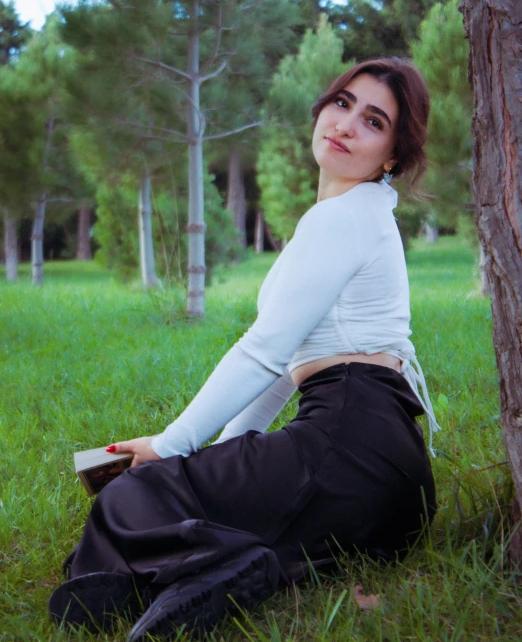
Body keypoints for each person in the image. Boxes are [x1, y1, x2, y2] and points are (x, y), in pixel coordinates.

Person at [49, 57, 439, 640]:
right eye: (342, 103)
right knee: (186, 500)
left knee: (131, 494)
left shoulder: (341, 219)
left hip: (348, 443)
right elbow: (284, 372)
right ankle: (195, 574)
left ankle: (202, 569)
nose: (347, 123)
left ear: (391, 157)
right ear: (322, 109)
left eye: (374, 120)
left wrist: (169, 448)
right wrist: (204, 466)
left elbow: (263, 351)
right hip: (392, 490)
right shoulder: (357, 216)